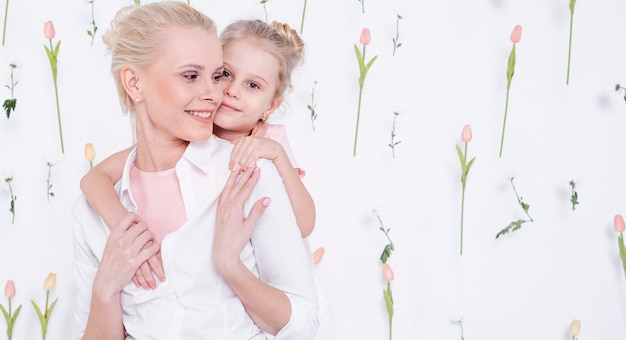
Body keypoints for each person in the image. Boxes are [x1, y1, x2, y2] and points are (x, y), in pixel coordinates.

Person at [71, 2, 318, 339]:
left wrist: (229, 264)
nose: (216, 94)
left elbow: (304, 323)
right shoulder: (92, 212)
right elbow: (94, 178)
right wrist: (105, 288)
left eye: (215, 75)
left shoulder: (248, 171)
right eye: (192, 76)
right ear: (134, 83)